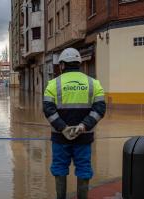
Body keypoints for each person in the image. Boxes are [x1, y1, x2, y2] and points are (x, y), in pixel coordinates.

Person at [42, 48, 106, 199]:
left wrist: (63, 128)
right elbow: (100, 109)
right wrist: (83, 126)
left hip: (60, 138)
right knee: (84, 169)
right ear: (79, 63)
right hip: (84, 137)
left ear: (62, 65)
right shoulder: (94, 83)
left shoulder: (52, 84)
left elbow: (48, 109)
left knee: (59, 169)